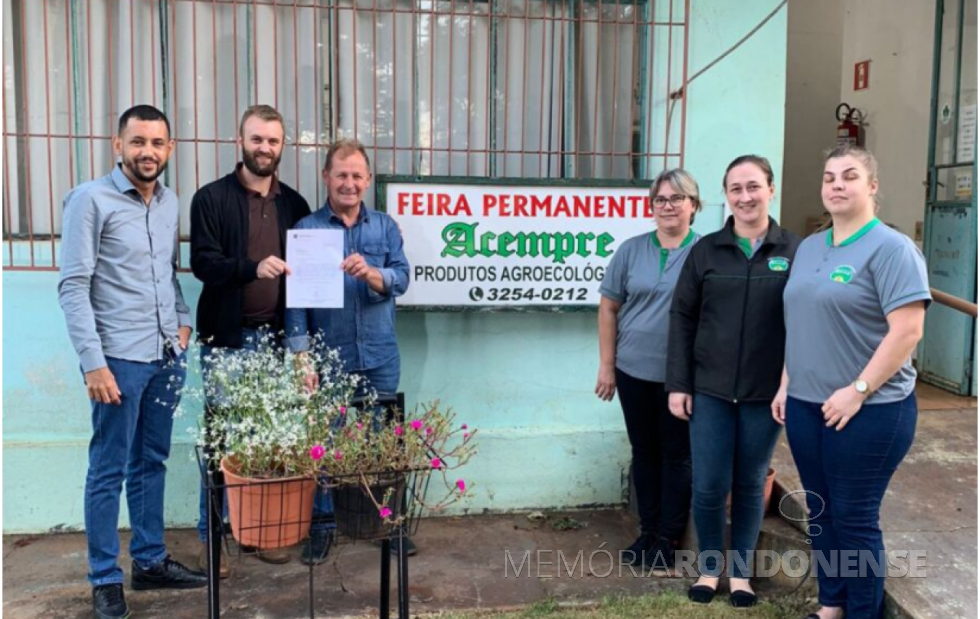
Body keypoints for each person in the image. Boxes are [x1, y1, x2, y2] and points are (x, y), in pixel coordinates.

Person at [58, 105, 207, 619]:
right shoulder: (89, 200)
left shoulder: (169, 203)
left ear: (170, 149)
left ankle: (149, 560)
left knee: (152, 462)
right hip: (117, 360)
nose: (148, 151)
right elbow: (74, 287)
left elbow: (166, 272)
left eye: (158, 142)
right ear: (117, 145)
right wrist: (92, 363)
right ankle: (105, 577)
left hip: (167, 353)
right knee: (108, 469)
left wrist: (183, 322)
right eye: (138, 141)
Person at [774, 146, 930, 619]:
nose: (837, 184)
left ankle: (864, 612)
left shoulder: (892, 249)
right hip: (806, 403)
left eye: (849, 176)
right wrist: (786, 382)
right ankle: (832, 605)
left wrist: (858, 390)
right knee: (820, 511)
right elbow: (798, 322)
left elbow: (908, 330)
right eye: (829, 177)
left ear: (872, 186)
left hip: (872, 410)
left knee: (854, 517)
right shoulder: (811, 247)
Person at [666, 155, 801, 607]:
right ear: (726, 196)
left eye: (753, 186)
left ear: (771, 189)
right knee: (707, 484)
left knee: (748, 483)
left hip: (766, 396)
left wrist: (791, 383)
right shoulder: (706, 251)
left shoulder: (795, 252)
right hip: (710, 392)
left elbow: (806, 323)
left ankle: (741, 574)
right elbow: (682, 318)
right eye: (735, 189)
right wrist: (679, 384)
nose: (745, 196)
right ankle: (709, 570)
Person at [189, 104, 312, 574]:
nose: (265, 148)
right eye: (257, 139)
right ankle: (213, 538)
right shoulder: (212, 198)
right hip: (228, 341)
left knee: (268, 441)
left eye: (273, 141)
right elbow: (204, 263)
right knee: (222, 439)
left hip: (278, 342)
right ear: (241, 141)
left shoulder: (293, 205)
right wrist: (251, 269)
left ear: (283, 147)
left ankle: (259, 532)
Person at [285, 138, 412, 558]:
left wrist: (372, 274)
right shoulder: (306, 230)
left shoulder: (385, 227)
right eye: (341, 174)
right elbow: (296, 300)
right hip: (330, 357)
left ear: (368, 179)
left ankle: (388, 524)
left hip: (379, 354)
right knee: (325, 443)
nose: (349, 183)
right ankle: (323, 526)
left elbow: (402, 278)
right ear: (326, 177)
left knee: (385, 443)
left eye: (357, 175)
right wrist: (302, 358)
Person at [595, 168, 701, 570]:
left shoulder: (705, 252)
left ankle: (668, 539)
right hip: (632, 370)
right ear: (651, 206)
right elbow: (608, 307)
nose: (668, 206)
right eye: (660, 199)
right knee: (644, 452)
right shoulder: (631, 250)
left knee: (677, 455)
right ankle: (648, 530)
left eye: (677, 198)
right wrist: (607, 366)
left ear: (694, 204)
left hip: (681, 378)